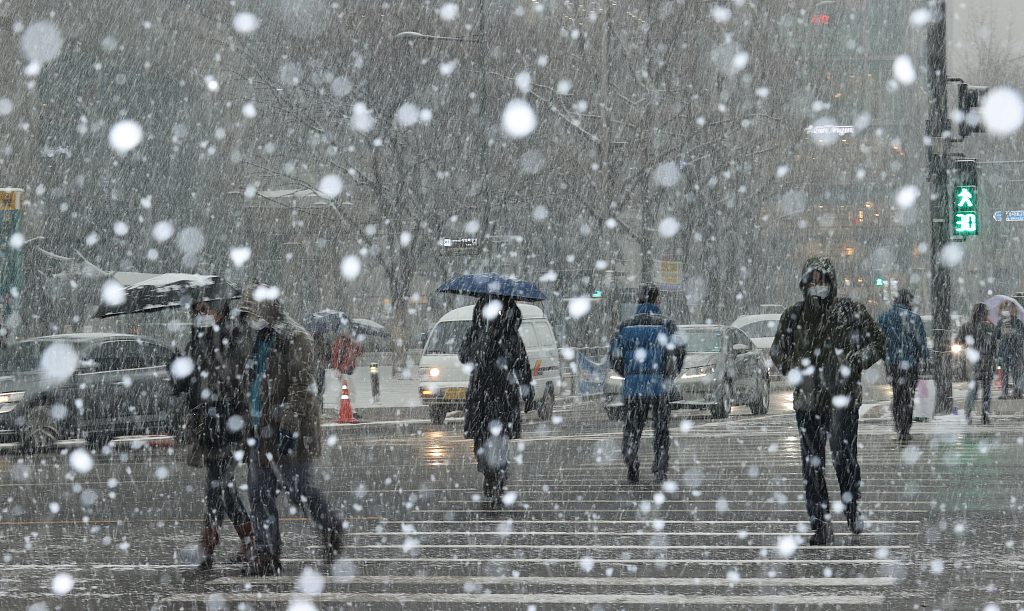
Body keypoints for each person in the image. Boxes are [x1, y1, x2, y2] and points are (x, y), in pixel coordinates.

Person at [770, 257, 886, 546]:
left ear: (831, 283)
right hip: (808, 404)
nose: (817, 286)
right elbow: (777, 350)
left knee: (845, 460)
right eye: (813, 280)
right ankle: (820, 525)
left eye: (822, 280)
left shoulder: (850, 312)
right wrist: (792, 370)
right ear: (804, 283)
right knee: (812, 466)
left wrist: (858, 360)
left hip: (842, 401)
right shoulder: (794, 316)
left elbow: (878, 342)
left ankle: (852, 510)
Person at [238, 284, 344, 575]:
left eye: (251, 312)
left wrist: (288, 424)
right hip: (261, 431)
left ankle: (332, 527)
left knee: (300, 491)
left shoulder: (296, 338)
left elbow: (302, 386)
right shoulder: (258, 339)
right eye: (245, 314)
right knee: (260, 496)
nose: (249, 319)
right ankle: (266, 555)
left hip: (290, 432)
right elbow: (253, 384)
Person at [176, 298, 254, 569]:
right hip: (205, 426)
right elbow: (187, 386)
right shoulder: (195, 342)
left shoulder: (234, 338)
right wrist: (177, 369)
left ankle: (208, 545)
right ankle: (246, 540)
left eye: (206, 310)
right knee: (223, 485)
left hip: (228, 422)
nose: (201, 315)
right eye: (196, 310)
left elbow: (236, 379)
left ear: (220, 312)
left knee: (217, 483)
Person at [608, 283, 685, 485]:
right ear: (656, 299)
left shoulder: (625, 326)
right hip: (659, 387)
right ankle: (660, 467)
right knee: (661, 429)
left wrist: (628, 373)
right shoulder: (667, 325)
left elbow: (614, 356)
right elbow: (678, 352)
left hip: (633, 389)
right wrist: (669, 375)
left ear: (637, 299)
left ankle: (631, 462)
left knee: (632, 428)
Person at [458, 296, 534, 500]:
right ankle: (488, 473)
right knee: (481, 440)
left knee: (501, 440)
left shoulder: (511, 336)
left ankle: (499, 474)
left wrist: (527, 390)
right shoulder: (475, 333)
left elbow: (522, 364)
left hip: (504, 394)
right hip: (480, 394)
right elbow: (464, 356)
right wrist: (482, 343)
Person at [876, 289, 928, 443]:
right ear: (908, 301)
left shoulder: (884, 317)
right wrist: (924, 358)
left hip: (892, 362)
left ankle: (899, 425)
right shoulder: (914, 318)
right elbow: (921, 342)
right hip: (910, 363)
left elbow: (879, 339)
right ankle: (906, 428)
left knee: (897, 394)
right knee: (908, 396)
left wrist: (884, 355)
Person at [957, 302, 998, 424]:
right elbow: (994, 347)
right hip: (987, 361)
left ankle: (968, 414)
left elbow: (959, 342)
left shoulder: (967, 326)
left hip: (973, 360)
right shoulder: (989, 327)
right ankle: (985, 415)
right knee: (986, 390)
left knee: (973, 389)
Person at [996, 301, 1024, 400]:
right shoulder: (1000, 322)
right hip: (1004, 351)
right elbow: (997, 336)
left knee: (1016, 372)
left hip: (1015, 351)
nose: (1006, 310)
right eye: (1004, 308)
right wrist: (1003, 332)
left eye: (1008, 308)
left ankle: (1017, 392)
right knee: (1004, 373)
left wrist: (1013, 334)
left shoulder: (1018, 322)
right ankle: (1004, 392)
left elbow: (1021, 336)